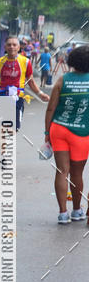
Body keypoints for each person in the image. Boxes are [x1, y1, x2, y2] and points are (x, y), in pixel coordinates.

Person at [44, 44, 89, 224]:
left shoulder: (63, 80)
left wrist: (47, 132)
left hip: (59, 129)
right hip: (82, 133)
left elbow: (51, 109)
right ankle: (77, 210)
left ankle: (63, 213)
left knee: (62, 171)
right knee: (77, 174)